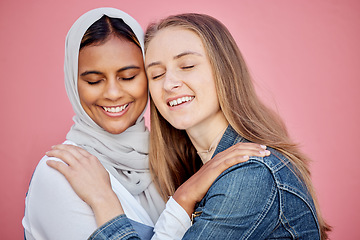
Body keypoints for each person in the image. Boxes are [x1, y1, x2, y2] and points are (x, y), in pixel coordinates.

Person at [23, 8, 268, 240]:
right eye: (94, 81)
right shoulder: (62, 173)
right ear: (73, 84)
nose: (113, 93)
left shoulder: (171, 161)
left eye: (128, 76)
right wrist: (181, 199)